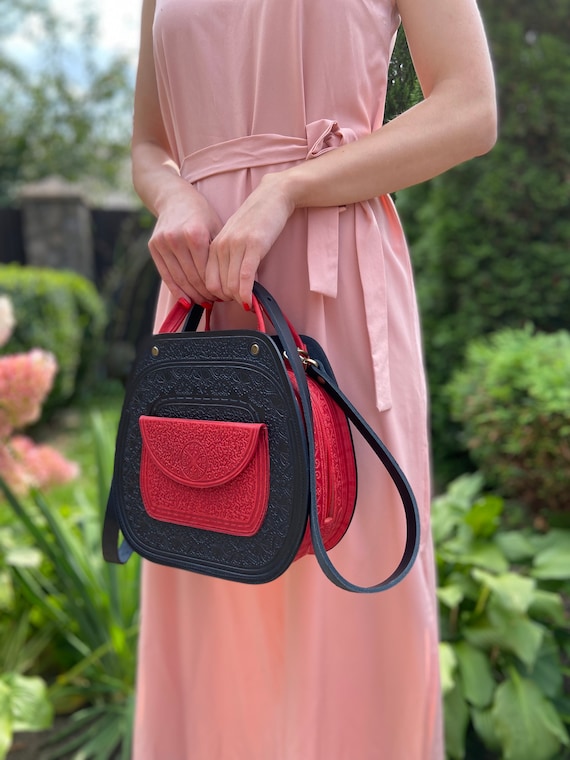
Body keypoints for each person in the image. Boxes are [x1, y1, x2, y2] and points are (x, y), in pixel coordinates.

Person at [130, 0, 496, 757]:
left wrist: (286, 189)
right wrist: (172, 197)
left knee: (354, 591)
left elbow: (468, 106)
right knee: (207, 569)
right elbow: (148, 144)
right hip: (201, 289)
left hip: (334, 283)